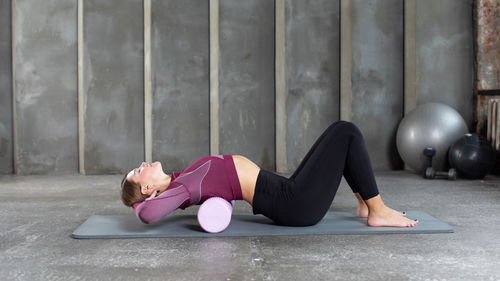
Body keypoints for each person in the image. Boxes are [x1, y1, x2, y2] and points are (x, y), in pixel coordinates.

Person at [121, 120, 418, 227]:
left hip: (287, 192)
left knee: (341, 135)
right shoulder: (182, 189)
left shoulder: (179, 178)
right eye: (139, 171)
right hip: (293, 203)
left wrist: (147, 192)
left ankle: (366, 204)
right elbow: (147, 215)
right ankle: (377, 210)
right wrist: (135, 203)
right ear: (147, 190)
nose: (144, 163)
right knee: (346, 132)